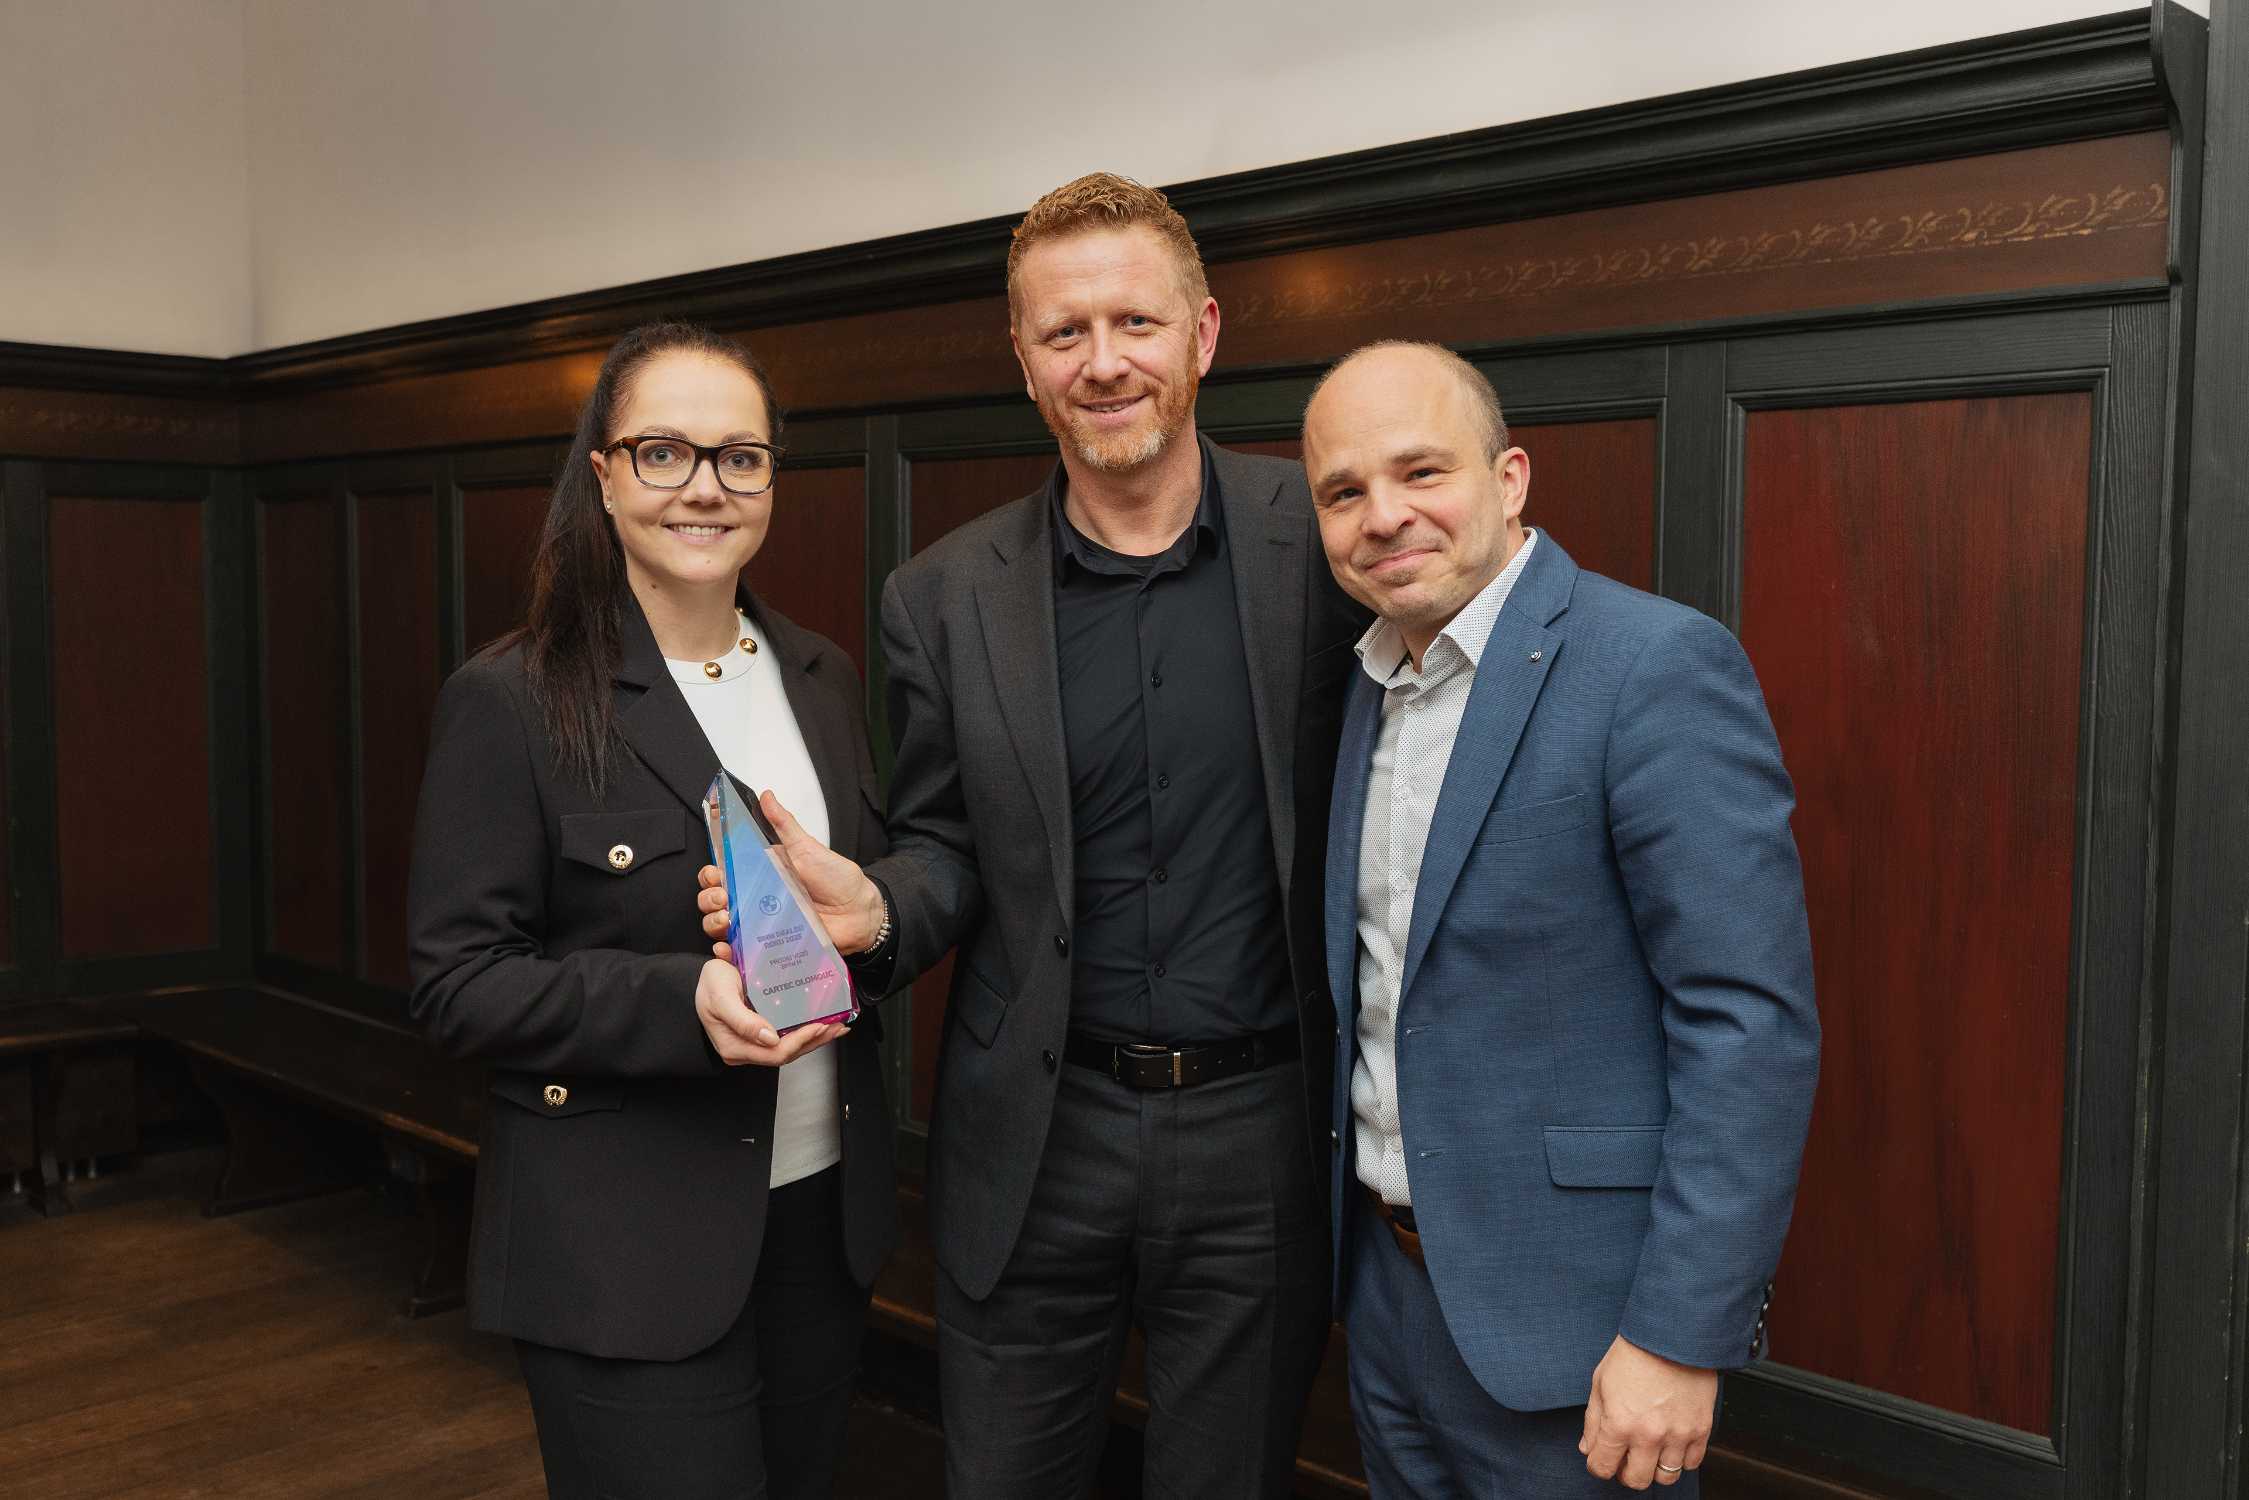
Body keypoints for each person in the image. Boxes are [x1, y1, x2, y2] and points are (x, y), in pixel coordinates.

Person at [700, 173, 1366, 1498]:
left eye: (1135, 323)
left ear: (1202, 334)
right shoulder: (941, 597)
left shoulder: (1326, 542)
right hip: (1035, 1140)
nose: (1102, 362)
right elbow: (946, 847)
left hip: (1261, 1138)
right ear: (1023, 358)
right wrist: (874, 912)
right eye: (1065, 332)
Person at [1298, 341, 1820, 1497]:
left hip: (1584, 1335)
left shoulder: (1651, 666)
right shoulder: (1362, 685)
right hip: (1385, 1300)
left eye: (1420, 472)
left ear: (1508, 478)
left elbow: (1747, 1026)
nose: (1382, 516)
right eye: (1342, 492)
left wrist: (1677, 1335)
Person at [406, 321, 897, 1500]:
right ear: (605, 473)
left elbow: (861, 909)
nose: (705, 487)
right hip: (620, 1247)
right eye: (664, 452)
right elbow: (456, 982)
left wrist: (869, 920)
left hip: (818, 1221)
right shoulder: (513, 699)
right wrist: (681, 1000)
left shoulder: (823, 676)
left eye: (740, 457)